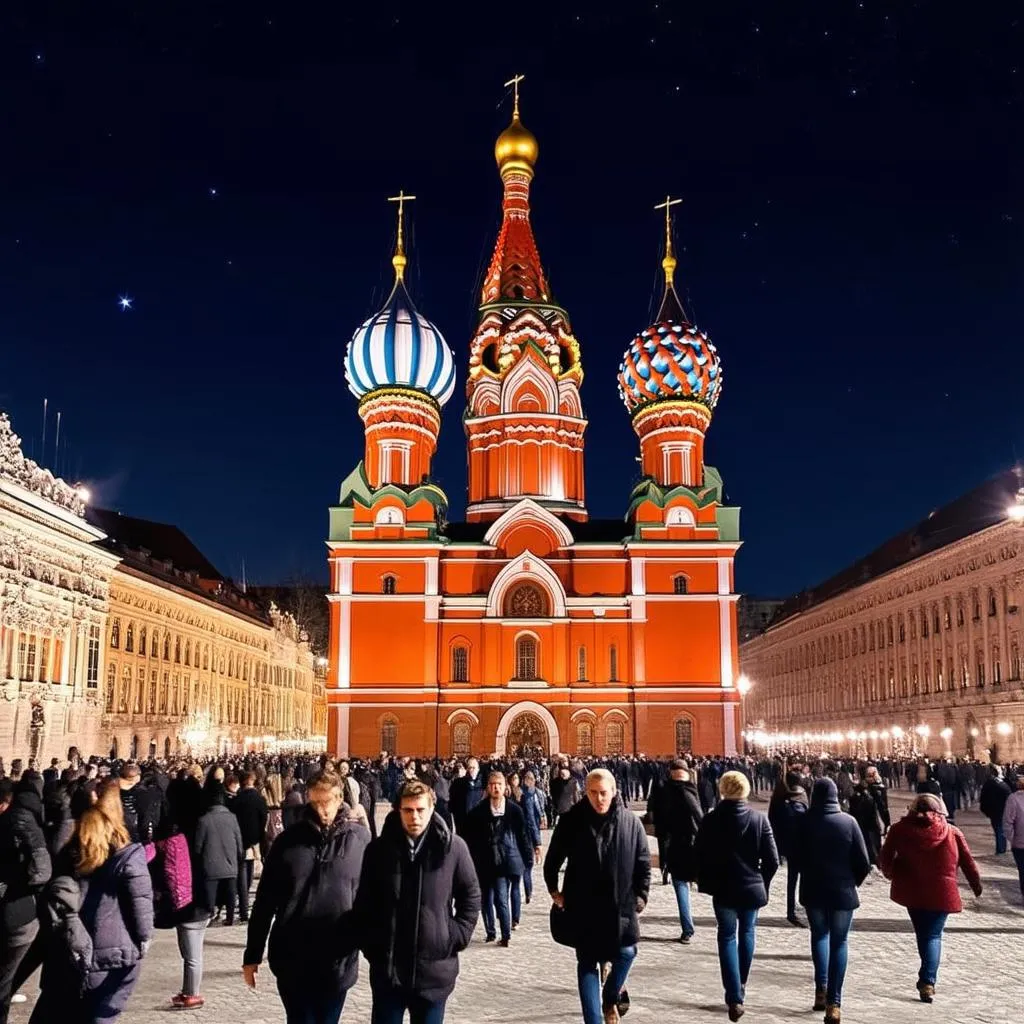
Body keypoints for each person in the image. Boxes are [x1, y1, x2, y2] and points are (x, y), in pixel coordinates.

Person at [243, 770, 369, 1024]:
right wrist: (252, 955)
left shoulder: (360, 840)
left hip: (337, 958)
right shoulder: (287, 842)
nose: (322, 810)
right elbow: (265, 901)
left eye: (327, 802)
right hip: (293, 957)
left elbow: (372, 900)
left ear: (339, 798)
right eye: (315, 803)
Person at [354, 778, 481, 1024]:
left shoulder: (453, 848)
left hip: (434, 972)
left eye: (420, 810)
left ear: (432, 809)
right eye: (408, 810)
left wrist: (454, 934)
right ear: (398, 811)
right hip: (388, 970)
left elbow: (471, 894)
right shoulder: (379, 850)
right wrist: (372, 944)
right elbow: (364, 902)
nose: (415, 817)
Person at [544, 768, 650, 1024]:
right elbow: (553, 860)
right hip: (584, 905)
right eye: (593, 793)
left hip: (620, 905)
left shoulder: (630, 822)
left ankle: (610, 995)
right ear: (586, 793)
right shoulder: (571, 821)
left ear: (613, 792)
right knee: (587, 961)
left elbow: (643, 862)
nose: (599, 798)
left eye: (603, 793)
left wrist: (641, 896)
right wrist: (554, 891)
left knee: (627, 952)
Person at [31, 803, 153, 1023]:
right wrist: (144, 939)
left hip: (74, 950)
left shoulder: (70, 858)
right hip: (115, 951)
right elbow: (141, 904)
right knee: (102, 1013)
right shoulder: (126, 857)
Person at [879, 792, 982, 1002]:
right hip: (942, 892)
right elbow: (968, 862)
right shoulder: (952, 832)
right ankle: (928, 981)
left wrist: (891, 873)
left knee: (923, 934)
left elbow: (885, 858)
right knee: (934, 936)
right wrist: (976, 885)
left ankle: (926, 978)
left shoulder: (899, 830)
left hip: (912, 890)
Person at [696, 770, 779, 1022]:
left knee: (727, 936)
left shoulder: (710, 820)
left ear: (722, 790)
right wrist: (761, 881)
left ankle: (733, 996)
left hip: (723, 888)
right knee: (747, 933)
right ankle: (740, 983)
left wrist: (707, 879)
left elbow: (699, 854)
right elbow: (773, 860)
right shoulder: (759, 819)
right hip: (751, 887)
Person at [790, 778, 870, 1022]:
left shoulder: (803, 822)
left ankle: (820, 990)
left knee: (819, 936)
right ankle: (834, 1003)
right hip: (842, 891)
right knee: (840, 942)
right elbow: (863, 862)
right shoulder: (849, 822)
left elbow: (795, 857)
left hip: (813, 889)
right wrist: (850, 881)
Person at [0, 779, 51, 1024]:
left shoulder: (16, 822)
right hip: (21, 911)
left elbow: (41, 869)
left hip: (17, 910)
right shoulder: (26, 821)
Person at [465, 771, 536, 944]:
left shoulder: (514, 810)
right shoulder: (478, 812)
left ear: (505, 787)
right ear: (488, 788)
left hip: (504, 862)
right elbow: (470, 839)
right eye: (492, 785)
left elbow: (523, 835)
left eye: (499, 784)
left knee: (501, 898)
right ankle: (490, 931)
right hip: (484, 861)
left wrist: (528, 858)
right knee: (485, 899)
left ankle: (505, 935)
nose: (495, 788)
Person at [655, 759, 703, 943]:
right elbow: (699, 816)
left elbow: (661, 821)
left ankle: (687, 929)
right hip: (693, 844)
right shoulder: (691, 789)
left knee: (681, 887)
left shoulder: (664, 790)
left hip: (675, 845)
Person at [195, 785, 245, 926]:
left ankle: (210, 914)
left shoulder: (203, 820)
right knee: (230, 891)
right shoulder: (232, 818)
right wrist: (239, 856)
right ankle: (229, 917)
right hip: (230, 863)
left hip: (210, 863)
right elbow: (238, 839)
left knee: (210, 892)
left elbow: (198, 845)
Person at [767, 771, 808, 926]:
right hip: (801, 845)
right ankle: (799, 907)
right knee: (802, 877)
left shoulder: (778, 798)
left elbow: (772, 823)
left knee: (792, 879)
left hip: (785, 844)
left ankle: (791, 909)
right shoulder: (802, 797)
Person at [231, 771, 269, 924]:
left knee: (241, 874)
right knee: (250, 870)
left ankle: (242, 906)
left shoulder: (237, 799)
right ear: (253, 782)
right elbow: (264, 819)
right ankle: (245, 906)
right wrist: (260, 837)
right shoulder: (259, 799)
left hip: (239, 839)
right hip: (254, 840)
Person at [518, 769, 545, 907]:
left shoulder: (520, 792)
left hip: (518, 834)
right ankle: (528, 892)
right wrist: (538, 843)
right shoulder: (528, 795)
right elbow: (530, 820)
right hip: (527, 834)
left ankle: (521, 893)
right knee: (527, 866)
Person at [980, 765, 1011, 855]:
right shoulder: (1002, 784)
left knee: (998, 829)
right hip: (1000, 809)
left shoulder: (990, 784)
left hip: (995, 810)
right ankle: (1001, 848)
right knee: (1000, 829)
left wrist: (985, 810)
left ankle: (1000, 849)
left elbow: (983, 798)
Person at [1002, 773, 1024, 902]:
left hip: (1020, 843)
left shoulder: (1013, 799)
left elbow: (1007, 821)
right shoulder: (1013, 799)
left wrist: (1011, 839)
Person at [448, 757, 484, 835]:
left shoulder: (484, 784)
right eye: (470, 767)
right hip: (462, 823)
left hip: (478, 823)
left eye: (474, 767)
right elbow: (452, 804)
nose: (472, 770)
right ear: (467, 769)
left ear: (478, 769)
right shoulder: (457, 783)